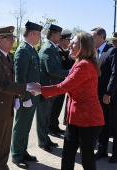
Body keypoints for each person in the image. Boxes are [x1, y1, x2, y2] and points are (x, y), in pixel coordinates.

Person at [29, 32, 105, 170]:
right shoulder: (79, 62)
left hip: (88, 120)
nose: (69, 45)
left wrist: (41, 89)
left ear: (84, 46)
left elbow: (64, 86)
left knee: (87, 158)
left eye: (74, 43)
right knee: (68, 154)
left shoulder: (85, 65)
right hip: (75, 118)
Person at [0, 25, 34, 170]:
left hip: (6, 107)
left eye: (13, 38)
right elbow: (4, 85)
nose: (12, 41)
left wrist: (17, 97)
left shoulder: (6, 57)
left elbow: (12, 81)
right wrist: (27, 87)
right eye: (9, 38)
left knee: (5, 143)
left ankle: (3, 166)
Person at [11, 21, 43, 169]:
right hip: (26, 96)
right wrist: (25, 97)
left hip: (32, 95)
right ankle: (16, 155)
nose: (39, 37)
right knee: (21, 125)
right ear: (31, 34)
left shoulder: (31, 49)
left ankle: (23, 151)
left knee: (27, 125)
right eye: (38, 34)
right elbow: (20, 77)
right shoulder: (23, 50)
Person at [36, 24, 69, 153]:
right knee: (42, 116)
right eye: (59, 34)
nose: (60, 37)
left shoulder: (53, 48)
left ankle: (45, 137)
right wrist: (70, 72)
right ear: (53, 34)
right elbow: (52, 70)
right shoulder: (48, 48)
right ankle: (42, 141)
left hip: (51, 89)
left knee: (47, 116)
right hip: (46, 88)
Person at [91, 27, 117, 163]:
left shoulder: (112, 51)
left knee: (114, 124)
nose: (91, 39)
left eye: (93, 36)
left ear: (101, 37)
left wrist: (108, 93)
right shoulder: (95, 52)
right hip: (99, 96)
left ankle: (116, 153)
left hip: (111, 96)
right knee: (103, 123)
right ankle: (102, 150)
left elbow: (115, 74)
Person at [48, 29, 75, 137]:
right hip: (57, 83)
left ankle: (55, 125)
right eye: (68, 40)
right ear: (62, 40)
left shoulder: (62, 51)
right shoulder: (57, 51)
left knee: (58, 106)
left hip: (62, 84)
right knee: (54, 107)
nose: (69, 42)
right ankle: (50, 127)